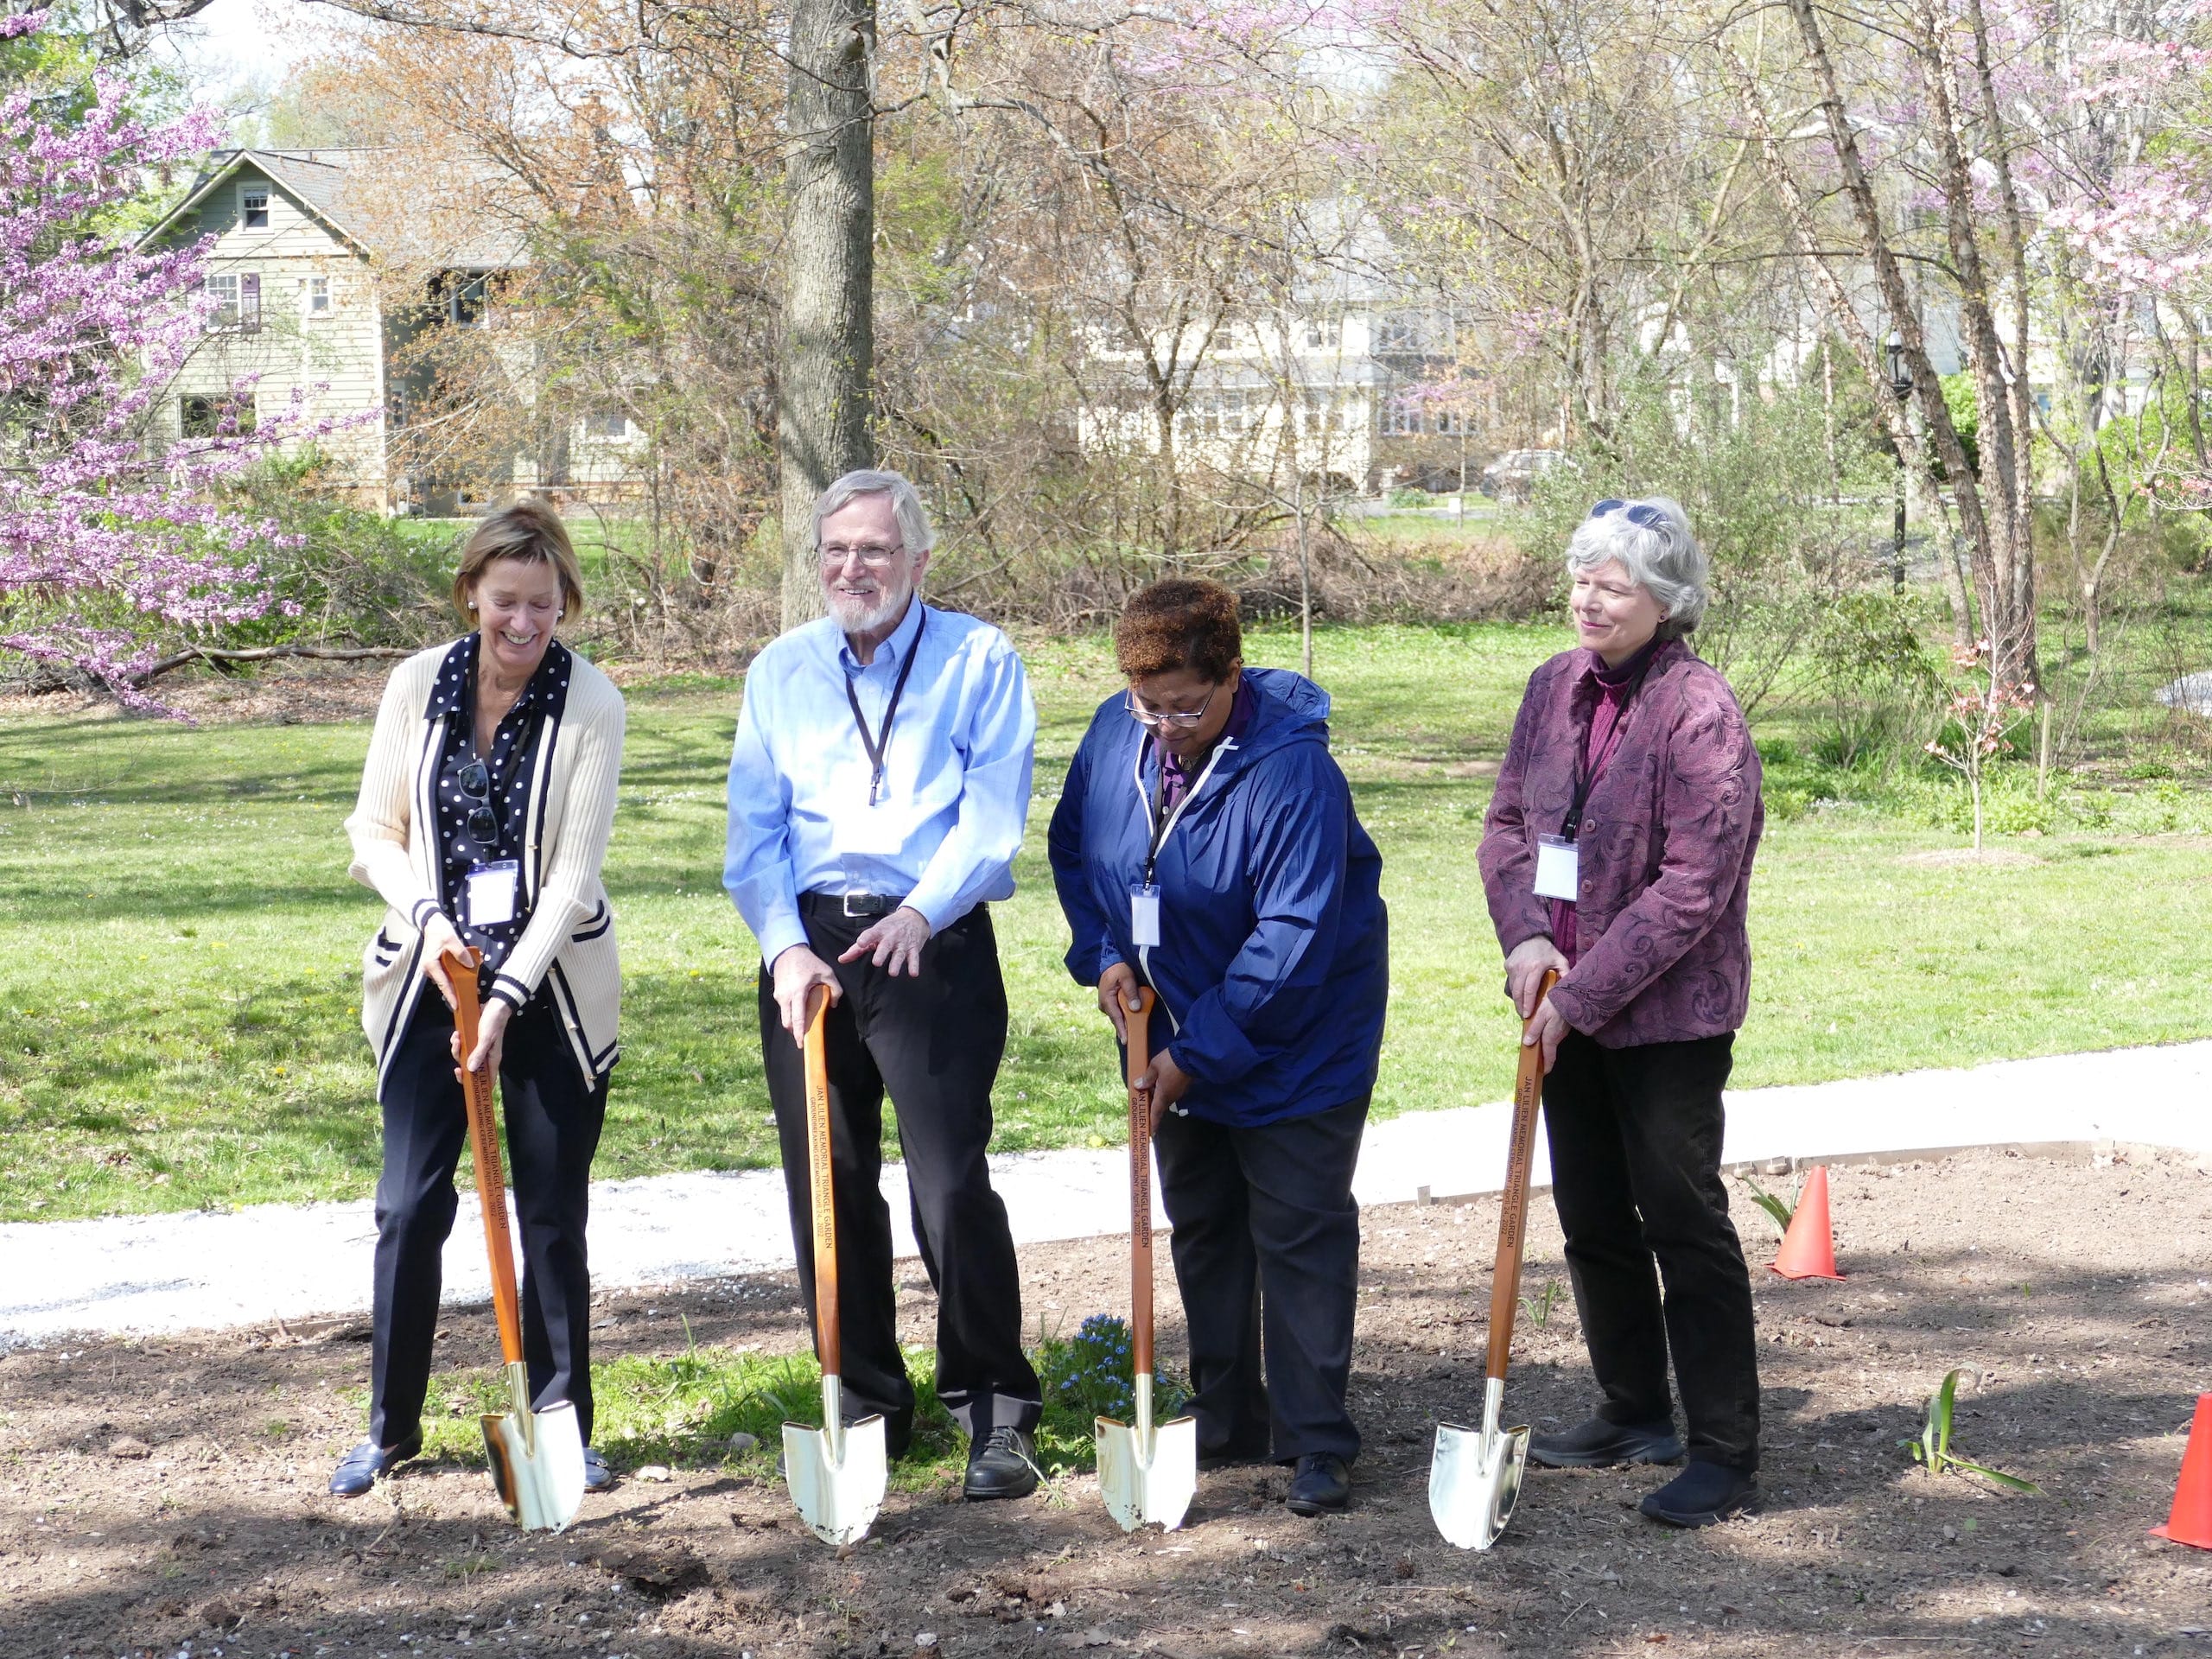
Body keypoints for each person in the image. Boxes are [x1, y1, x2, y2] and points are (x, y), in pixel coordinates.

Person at [723, 468, 1044, 1499]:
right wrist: (783, 946)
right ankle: (863, 1402)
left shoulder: (978, 659)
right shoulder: (780, 669)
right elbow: (754, 833)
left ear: (917, 561)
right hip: (811, 947)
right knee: (828, 1181)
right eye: (835, 551)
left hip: (930, 937)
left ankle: (994, 1407)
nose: (851, 568)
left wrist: (921, 913)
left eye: (873, 550)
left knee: (948, 1182)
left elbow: (994, 818)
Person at [1047, 578, 1389, 1517]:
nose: (1163, 725)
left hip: (1297, 1037)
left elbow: (1294, 935)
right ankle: (1228, 1411)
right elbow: (1076, 849)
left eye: (1186, 705)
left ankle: (1316, 1439)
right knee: (1203, 1221)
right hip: (1171, 1022)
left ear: (1233, 677)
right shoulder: (1118, 736)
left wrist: (1194, 1054)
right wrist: (1109, 957)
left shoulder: (1292, 774)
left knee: (1298, 1230)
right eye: (1145, 704)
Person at [1478, 496, 1764, 1528]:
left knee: (1681, 1220)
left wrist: (1584, 988)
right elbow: (1508, 824)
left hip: (1666, 1019)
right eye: (1581, 578)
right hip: (1558, 1000)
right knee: (1592, 1217)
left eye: (1614, 584)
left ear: (1667, 600)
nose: (1588, 599)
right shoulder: (1550, 686)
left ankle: (1724, 1449)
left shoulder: (1700, 712)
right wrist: (1525, 940)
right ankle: (1632, 1407)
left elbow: (1695, 886)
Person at [335, 497, 626, 1498]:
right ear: (471, 595)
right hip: (429, 971)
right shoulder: (415, 686)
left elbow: (572, 881)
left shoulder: (592, 705)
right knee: (409, 1207)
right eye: (506, 601)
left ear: (562, 606)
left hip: (548, 984)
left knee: (549, 1212)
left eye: (542, 606)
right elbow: (375, 829)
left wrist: (502, 996)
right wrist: (428, 924)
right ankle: (390, 1427)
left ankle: (563, 1422)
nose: (523, 623)